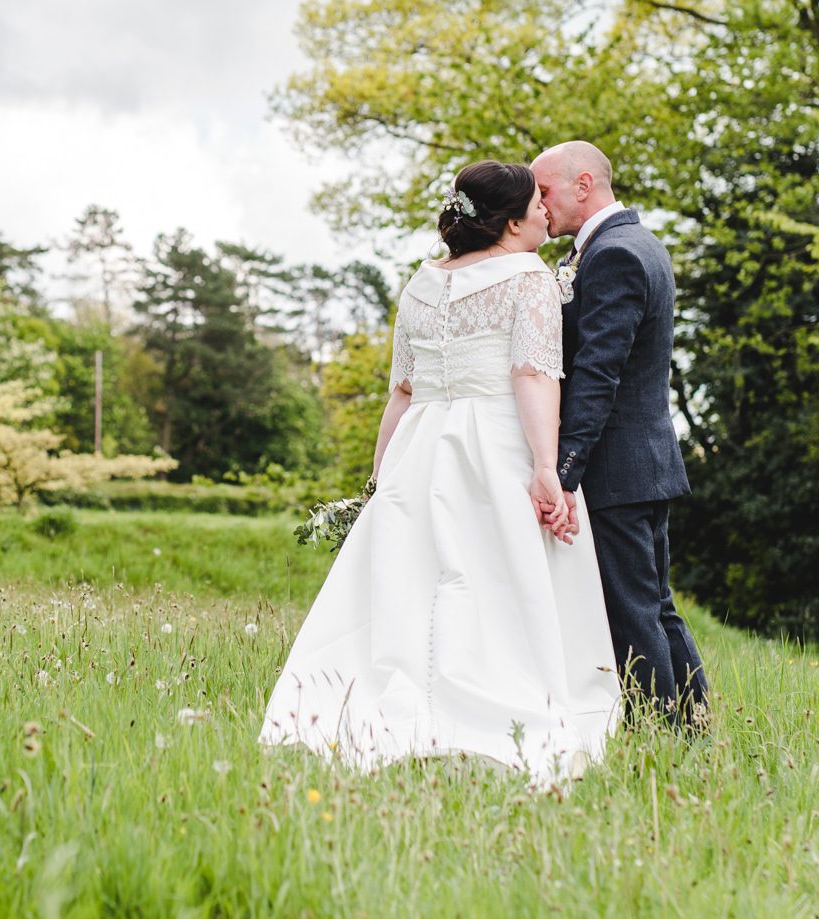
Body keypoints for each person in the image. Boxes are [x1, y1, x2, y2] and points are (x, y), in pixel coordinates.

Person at [259, 161, 622, 786]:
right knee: (496, 576)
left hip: (422, 447)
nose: (545, 213)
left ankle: (383, 704)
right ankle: (496, 705)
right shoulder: (528, 278)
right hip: (496, 443)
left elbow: (400, 393)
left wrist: (379, 481)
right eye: (536, 204)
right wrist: (545, 469)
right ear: (511, 223)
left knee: (416, 576)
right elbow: (533, 375)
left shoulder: (420, 283)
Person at [530, 141, 708, 727]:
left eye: (545, 191)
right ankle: (695, 723)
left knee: (630, 611)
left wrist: (563, 471)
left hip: (616, 468)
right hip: (645, 463)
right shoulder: (637, 243)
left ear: (584, 185)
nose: (539, 204)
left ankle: (662, 734)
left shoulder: (613, 255)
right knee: (655, 604)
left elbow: (598, 374)